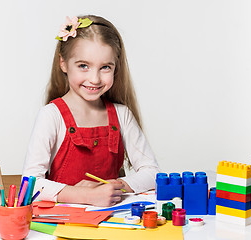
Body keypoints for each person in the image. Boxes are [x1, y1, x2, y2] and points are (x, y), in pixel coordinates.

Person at [23, 15, 160, 207]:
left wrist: (117, 187)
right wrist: (85, 195)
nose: (94, 79)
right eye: (83, 66)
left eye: (105, 67)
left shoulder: (122, 115)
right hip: (63, 224)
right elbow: (31, 184)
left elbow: (153, 173)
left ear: (115, 68)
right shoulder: (51, 116)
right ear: (63, 63)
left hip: (112, 222)